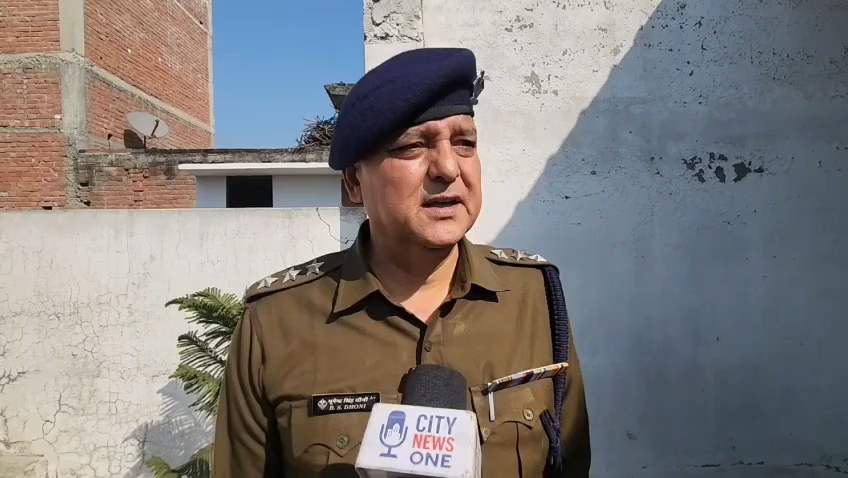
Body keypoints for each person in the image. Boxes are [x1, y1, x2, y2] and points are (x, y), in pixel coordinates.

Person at [213, 47, 591, 478]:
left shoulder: (535, 297)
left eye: (464, 143)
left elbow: (571, 461)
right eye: (413, 146)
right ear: (354, 182)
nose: (448, 168)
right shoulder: (276, 322)